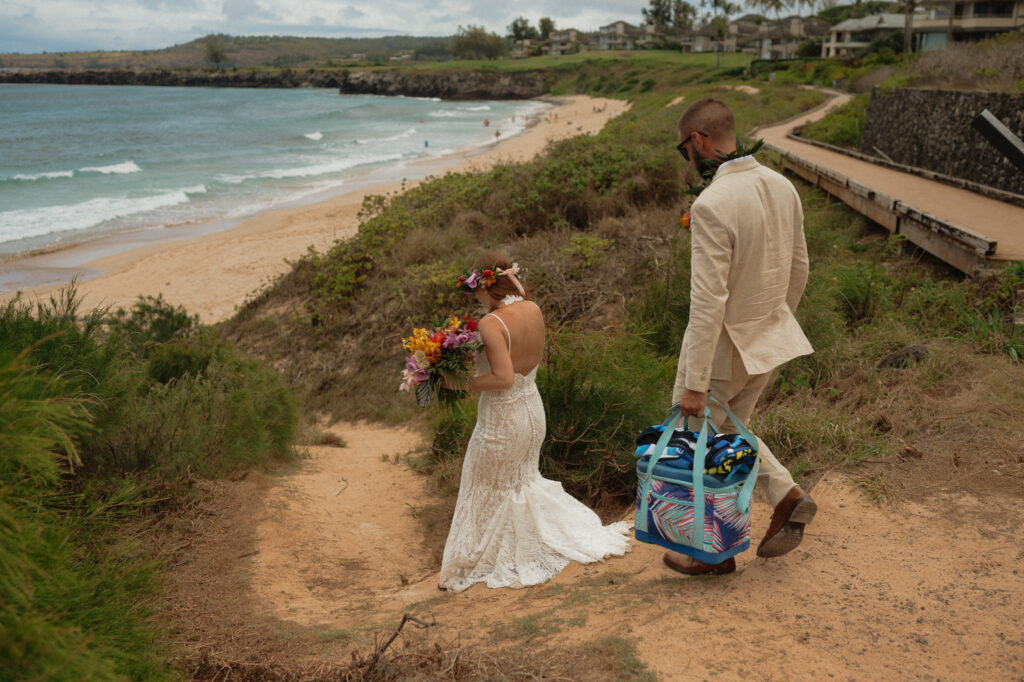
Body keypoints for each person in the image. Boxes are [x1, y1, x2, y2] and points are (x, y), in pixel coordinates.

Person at [665, 98, 817, 577]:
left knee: (701, 443)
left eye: (683, 149)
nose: (686, 159)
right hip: (769, 337)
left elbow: (708, 301)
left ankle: (709, 551)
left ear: (699, 141)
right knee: (732, 437)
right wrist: (775, 321)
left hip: (723, 349)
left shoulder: (712, 203)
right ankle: (783, 497)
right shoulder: (781, 185)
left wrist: (694, 380)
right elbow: (800, 269)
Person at [438, 254, 630, 592]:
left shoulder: (492, 323)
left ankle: (478, 559)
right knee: (519, 483)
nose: (476, 300)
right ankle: (515, 547)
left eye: (475, 292)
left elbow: (503, 378)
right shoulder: (532, 309)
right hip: (532, 411)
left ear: (486, 286)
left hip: (503, 419)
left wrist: (462, 382)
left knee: (482, 486)